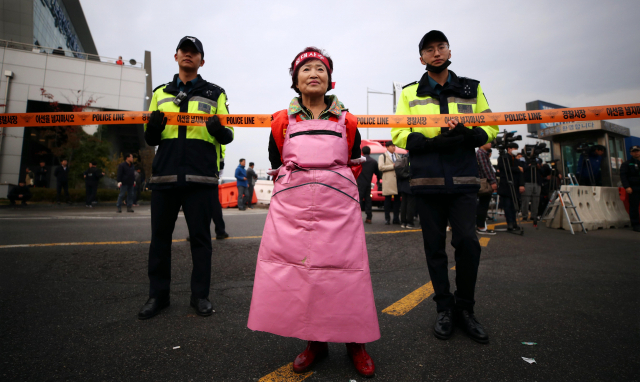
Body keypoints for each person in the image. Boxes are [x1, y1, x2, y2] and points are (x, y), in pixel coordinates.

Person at [249, 47, 378, 378]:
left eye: (320, 68)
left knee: (347, 273)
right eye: (306, 69)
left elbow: (354, 162)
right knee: (304, 275)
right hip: (293, 208)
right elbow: (276, 162)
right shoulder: (280, 120)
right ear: (295, 80)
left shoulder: (347, 120)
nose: (313, 74)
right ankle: (315, 343)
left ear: (330, 79)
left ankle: (356, 344)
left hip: (339, 208)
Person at [392, 30, 499, 344]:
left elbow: (490, 125)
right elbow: (399, 134)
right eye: (429, 49)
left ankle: (466, 308)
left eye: (441, 46)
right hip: (426, 182)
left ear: (449, 50)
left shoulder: (471, 88)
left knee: (468, 243)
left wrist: (467, 135)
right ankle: (444, 308)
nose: (436, 52)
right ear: (422, 58)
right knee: (434, 248)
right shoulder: (410, 93)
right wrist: (430, 140)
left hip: (464, 180)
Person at [139, 36, 233, 320]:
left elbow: (228, 135)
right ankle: (158, 296)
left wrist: (217, 129)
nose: (188, 55)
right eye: (184, 51)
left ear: (201, 60)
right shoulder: (160, 92)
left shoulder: (216, 93)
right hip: (165, 176)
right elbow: (150, 136)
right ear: (176, 56)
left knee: (201, 240)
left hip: (200, 177)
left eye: (194, 52)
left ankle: (200, 296)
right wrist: (153, 127)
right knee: (159, 240)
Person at [497, 143, 525, 230]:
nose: (516, 150)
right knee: (507, 205)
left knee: (514, 205)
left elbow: (521, 172)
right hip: (506, 185)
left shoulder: (516, 159)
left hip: (515, 186)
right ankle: (510, 223)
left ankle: (514, 222)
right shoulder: (503, 158)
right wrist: (517, 169)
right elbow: (503, 168)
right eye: (514, 148)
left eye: (517, 148)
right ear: (509, 149)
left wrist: (521, 185)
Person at [476, 142, 497, 234]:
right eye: (488, 141)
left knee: (482, 205)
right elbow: (486, 169)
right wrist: (493, 181)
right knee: (483, 205)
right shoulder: (481, 153)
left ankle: (480, 226)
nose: (490, 143)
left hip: (483, 182)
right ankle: (481, 227)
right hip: (484, 183)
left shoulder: (482, 153)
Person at [357, 145, 381, 224]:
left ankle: (357, 217)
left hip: (359, 183)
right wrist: (377, 180)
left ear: (362, 152)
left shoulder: (359, 161)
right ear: (370, 152)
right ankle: (369, 217)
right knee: (368, 200)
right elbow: (378, 173)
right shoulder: (373, 161)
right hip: (368, 183)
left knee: (358, 200)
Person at [378, 141, 400, 225]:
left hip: (397, 181)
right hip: (388, 181)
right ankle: (387, 219)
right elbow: (381, 167)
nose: (393, 148)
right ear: (387, 147)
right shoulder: (382, 156)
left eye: (394, 146)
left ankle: (396, 218)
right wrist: (392, 166)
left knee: (397, 201)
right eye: (391, 146)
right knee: (387, 201)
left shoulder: (397, 156)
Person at [620, 145, 640, 232]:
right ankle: (636, 224)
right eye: (634, 151)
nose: (636, 152)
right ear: (631, 153)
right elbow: (623, 176)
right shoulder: (626, 164)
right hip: (634, 188)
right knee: (634, 207)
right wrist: (627, 187)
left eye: (638, 151)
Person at [396, 153, 416, 228]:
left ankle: (403, 222)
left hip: (402, 184)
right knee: (410, 204)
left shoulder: (403, 157)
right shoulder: (412, 158)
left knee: (403, 203)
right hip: (410, 183)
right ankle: (409, 222)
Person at [521, 155, 543, 223]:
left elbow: (543, 172)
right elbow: (522, 170)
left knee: (536, 200)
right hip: (527, 182)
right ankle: (524, 216)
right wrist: (529, 165)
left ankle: (534, 216)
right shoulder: (523, 160)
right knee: (525, 200)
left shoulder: (538, 160)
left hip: (537, 183)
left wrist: (539, 166)